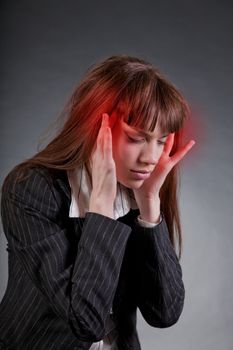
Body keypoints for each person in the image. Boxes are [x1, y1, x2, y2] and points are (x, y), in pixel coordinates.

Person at [0, 55, 195, 350]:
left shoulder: (140, 189)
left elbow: (164, 313)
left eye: (161, 140)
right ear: (95, 126)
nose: (151, 158)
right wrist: (101, 206)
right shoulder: (30, 189)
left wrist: (150, 212)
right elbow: (86, 323)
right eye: (137, 138)